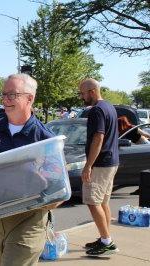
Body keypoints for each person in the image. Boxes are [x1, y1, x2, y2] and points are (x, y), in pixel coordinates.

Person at [0, 73, 61, 266]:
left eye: (12, 95)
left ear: (30, 98)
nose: (5, 99)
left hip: (28, 219)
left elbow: (58, 187)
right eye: (3, 94)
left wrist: (41, 183)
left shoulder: (46, 139)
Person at [78, 78, 120, 256]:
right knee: (103, 202)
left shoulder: (96, 110)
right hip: (111, 162)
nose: (81, 97)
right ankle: (105, 237)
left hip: (100, 164)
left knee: (92, 202)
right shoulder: (109, 106)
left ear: (92, 91)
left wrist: (88, 166)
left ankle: (107, 242)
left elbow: (98, 138)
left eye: (82, 93)